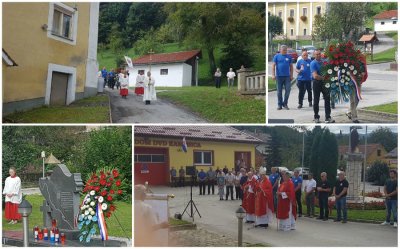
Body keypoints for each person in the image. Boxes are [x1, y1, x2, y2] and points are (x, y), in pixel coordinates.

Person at [310, 50, 335, 123]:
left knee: (327, 100)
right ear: (314, 55)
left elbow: (329, 70)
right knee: (316, 100)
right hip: (317, 83)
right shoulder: (313, 63)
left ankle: (328, 117)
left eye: (319, 54)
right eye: (316, 54)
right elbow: (315, 76)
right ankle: (316, 117)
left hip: (325, 83)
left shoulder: (324, 62)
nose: (318, 55)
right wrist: (324, 78)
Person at [346, 54, 368, 123]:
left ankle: (349, 111)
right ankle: (354, 117)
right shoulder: (349, 63)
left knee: (357, 99)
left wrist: (361, 74)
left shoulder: (360, 63)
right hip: (351, 84)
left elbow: (363, 72)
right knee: (352, 101)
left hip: (358, 83)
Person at [272, 45, 293, 110]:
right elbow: (273, 66)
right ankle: (279, 105)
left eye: (286, 50)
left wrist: (291, 75)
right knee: (279, 91)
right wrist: (273, 75)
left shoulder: (289, 57)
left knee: (288, 90)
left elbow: (291, 67)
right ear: (280, 50)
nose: (285, 51)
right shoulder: (276, 56)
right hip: (279, 76)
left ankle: (285, 103)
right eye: (284, 50)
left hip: (287, 76)